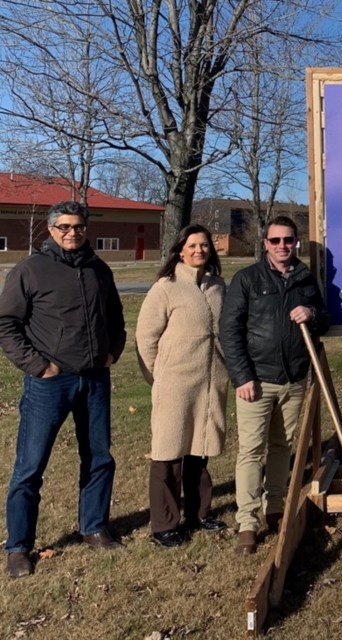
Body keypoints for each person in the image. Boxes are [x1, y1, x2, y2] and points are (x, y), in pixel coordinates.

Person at [0, 201, 126, 579]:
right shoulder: (31, 270)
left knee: (99, 457)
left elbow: (117, 317)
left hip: (94, 380)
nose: (73, 232)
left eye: (79, 226)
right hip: (50, 384)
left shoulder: (98, 269)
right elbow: (6, 324)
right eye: (65, 226)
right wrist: (40, 366)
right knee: (30, 465)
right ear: (51, 230)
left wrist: (112, 352)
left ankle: (94, 527)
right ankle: (19, 546)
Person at [220, 216, 329, 554]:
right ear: (265, 244)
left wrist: (310, 313)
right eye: (276, 240)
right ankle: (248, 522)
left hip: (294, 379)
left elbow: (324, 319)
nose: (283, 246)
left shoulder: (305, 279)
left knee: (282, 448)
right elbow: (230, 332)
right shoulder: (247, 279)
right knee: (252, 451)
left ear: (296, 242)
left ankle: (276, 508)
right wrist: (243, 377)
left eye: (289, 240)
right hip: (257, 382)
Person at [136, 224, 229, 548]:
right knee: (168, 451)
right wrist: (157, 376)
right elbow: (145, 337)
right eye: (192, 245)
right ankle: (164, 524)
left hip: (210, 381)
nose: (199, 250)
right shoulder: (165, 288)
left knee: (199, 448)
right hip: (175, 382)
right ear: (180, 249)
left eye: (204, 245)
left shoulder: (219, 287)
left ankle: (199, 513)